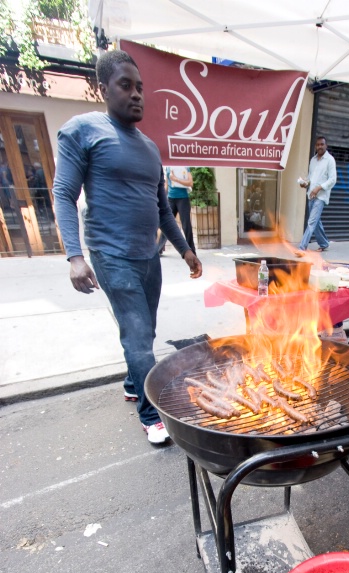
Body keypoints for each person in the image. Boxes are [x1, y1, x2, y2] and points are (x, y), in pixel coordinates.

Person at [53, 49, 202, 445]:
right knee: (137, 336)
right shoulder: (82, 131)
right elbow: (64, 194)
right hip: (110, 254)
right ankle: (151, 414)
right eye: (125, 85)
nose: (136, 94)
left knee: (144, 330)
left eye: (140, 87)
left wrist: (185, 250)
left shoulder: (152, 149)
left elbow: (163, 210)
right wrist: (75, 256)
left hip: (148, 255)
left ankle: (132, 381)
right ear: (103, 88)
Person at [295, 135, 337, 255]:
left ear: (326, 145)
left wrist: (319, 188)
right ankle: (324, 243)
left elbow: (333, 179)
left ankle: (302, 248)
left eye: (322, 144)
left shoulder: (330, 160)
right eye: (318, 145)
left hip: (321, 196)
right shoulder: (313, 160)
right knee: (316, 221)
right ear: (315, 146)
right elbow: (311, 178)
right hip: (311, 195)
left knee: (311, 222)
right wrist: (305, 183)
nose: (320, 146)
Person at [158, 165, 196, 255]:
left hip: (183, 198)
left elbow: (190, 183)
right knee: (166, 223)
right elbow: (167, 183)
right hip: (171, 198)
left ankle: (192, 251)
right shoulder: (168, 168)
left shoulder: (185, 167)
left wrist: (175, 179)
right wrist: (163, 197)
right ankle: (158, 249)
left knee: (186, 225)